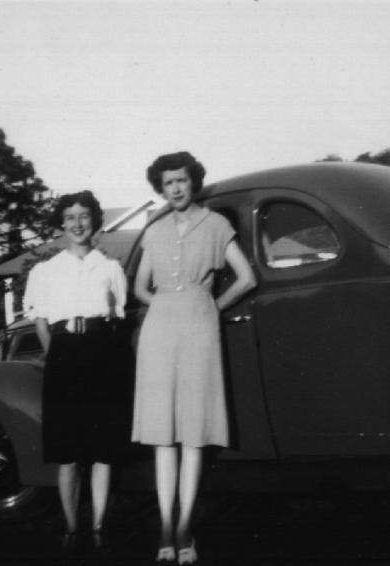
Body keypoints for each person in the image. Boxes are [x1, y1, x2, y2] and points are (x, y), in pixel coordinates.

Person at [131, 152, 256, 564]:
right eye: (168, 183)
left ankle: (186, 527)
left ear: (193, 182)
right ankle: (166, 527)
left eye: (181, 180)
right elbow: (140, 288)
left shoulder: (216, 225)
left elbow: (247, 278)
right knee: (163, 433)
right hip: (159, 333)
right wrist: (167, 305)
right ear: (161, 187)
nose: (176, 188)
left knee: (193, 433)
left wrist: (209, 306)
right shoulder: (154, 230)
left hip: (200, 329)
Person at [23, 191, 130, 553]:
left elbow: (117, 318)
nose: (77, 223)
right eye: (70, 217)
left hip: (102, 354)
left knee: (102, 448)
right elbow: (40, 322)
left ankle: (98, 526)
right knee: (68, 450)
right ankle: (71, 527)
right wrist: (57, 354)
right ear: (61, 224)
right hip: (64, 355)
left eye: (84, 216)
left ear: (94, 220)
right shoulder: (45, 270)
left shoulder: (110, 268)